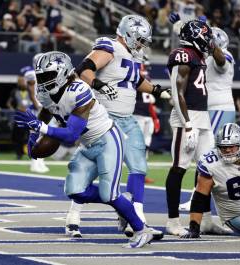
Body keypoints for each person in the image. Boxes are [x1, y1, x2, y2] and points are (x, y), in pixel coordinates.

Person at [15, 51, 156, 248]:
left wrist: (41, 128)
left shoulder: (79, 90)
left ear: (63, 73)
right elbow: (47, 110)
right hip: (88, 143)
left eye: (47, 76)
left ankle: (142, 230)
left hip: (107, 140)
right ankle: (124, 200)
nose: (42, 81)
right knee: (75, 191)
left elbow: (71, 134)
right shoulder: (46, 92)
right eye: (40, 76)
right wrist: (33, 136)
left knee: (109, 194)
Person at [68, 14, 170, 238]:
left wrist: (157, 90)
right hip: (103, 119)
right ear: (129, 34)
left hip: (127, 118)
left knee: (138, 166)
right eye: (140, 39)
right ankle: (73, 216)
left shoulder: (134, 55)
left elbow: (134, 80)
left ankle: (138, 218)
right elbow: (83, 69)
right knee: (89, 171)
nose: (142, 44)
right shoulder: (110, 47)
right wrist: (98, 84)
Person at [165, 19, 229, 236]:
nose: (210, 40)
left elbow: (222, 62)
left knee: (208, 169)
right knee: (179, 168)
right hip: (188, 117)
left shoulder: (200, 54)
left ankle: (206, 219)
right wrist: (188, 125)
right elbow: (177, 93)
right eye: (207, 36)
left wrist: (211, 44)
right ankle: (173, 221)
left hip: (203, 117)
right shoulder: (182, 54)